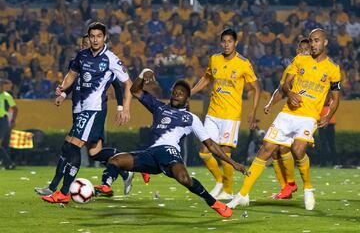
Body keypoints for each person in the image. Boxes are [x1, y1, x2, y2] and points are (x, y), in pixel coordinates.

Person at [104, 68, 248, 218]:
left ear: (187, 99)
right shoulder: (158, 107)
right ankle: (105, 186)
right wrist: (143, 74)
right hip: (150, 153)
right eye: (174, 92)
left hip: (169, 152)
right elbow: (135, 91)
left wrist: (232, 162)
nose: (176, 95)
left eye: (181, 93)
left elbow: (211, 144)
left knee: (185, 179)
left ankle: (214, 203)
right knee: (115, 160)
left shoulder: (190, 118)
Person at [227, 28, 341, 211]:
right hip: (288, 113)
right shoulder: (299, 60)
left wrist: (327, 116)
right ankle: (242, 194)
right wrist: (291, 92)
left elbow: (336, 98)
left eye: (317, 41)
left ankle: (308, 188)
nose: (313, 44)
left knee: (297, 149)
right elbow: (285, 84)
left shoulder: (333, 69)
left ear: (325, 42)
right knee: (266, 149)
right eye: (311, 41)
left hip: (309, 116)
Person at [41, 22, 133, 203]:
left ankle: (63, 193)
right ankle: (130, 164)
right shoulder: (82, 55)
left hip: (94, 110)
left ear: (105, 37)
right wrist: (62, 89)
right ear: (88, 37)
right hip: (82, 109)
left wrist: (125, 108)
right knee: (93, 152)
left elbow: (127, 84)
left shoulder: (111, 58)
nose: (95, 39)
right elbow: (71, 75)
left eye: (99, 36)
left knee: (72, 146)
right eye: (92, 36)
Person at [191, 29, 261, 200]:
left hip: (231, 115)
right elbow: (207, 78)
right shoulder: (214, 59)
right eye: (224, 41)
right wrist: (190, 91)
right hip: (213, 113)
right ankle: (220, 182)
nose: (226, 44)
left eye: (230, 41)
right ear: (220, 43)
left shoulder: (243, 63)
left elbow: (256, 88)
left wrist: (252, 112)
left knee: (225, 153)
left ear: (236, 43)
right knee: (204, 151)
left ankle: (228, 191)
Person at [263, 38, 311, 199]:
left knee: (291, 150)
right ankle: (287, 187)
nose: (302, 51)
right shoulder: (292, 67)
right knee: (277, 149)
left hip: (306, 116)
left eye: (306, 49)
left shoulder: (315, 68)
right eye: (300, 48)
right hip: (290, 114)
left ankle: (301, 187)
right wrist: (270, 104)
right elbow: (281, 89)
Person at [0, 79, 17, 170]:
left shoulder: (6, 96)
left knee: (2, 143)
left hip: (2, 120)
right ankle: (7, 163)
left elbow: (15, 108)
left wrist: (13, 120)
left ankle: (9, 163)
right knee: (5, 144)